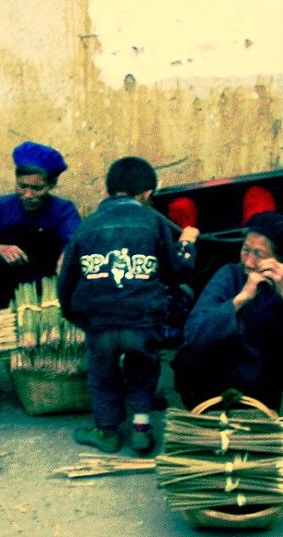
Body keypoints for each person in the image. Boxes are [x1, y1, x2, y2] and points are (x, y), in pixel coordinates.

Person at [58, 157, 199, 455]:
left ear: (108, 190)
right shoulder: (153, 221)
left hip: (100, 323)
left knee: (102, 375)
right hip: (142, 320)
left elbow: (66, 279)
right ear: (147, 194)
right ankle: (141, 431)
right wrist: (187, 244)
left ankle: (107, 433)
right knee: (144, 370)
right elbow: (177, 273)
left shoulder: (87, 226)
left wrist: (78, 316)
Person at [172, 212, 283, 412]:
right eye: (245, 250)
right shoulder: (230, 275)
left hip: (275, 376)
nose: (248, 262)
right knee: (188, 360)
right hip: (233, 372)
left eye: (259, 254)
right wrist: (241, 299)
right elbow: (194, 333)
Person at [0, 142, 80, 310]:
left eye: (37, 188)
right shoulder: (1, 206)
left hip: (50, 283)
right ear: (16, 181)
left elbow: (73, 242)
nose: (28, 195)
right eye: (22, 186)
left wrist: (66, 256)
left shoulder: (63, 210)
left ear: (51, 185)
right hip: (7, 285)